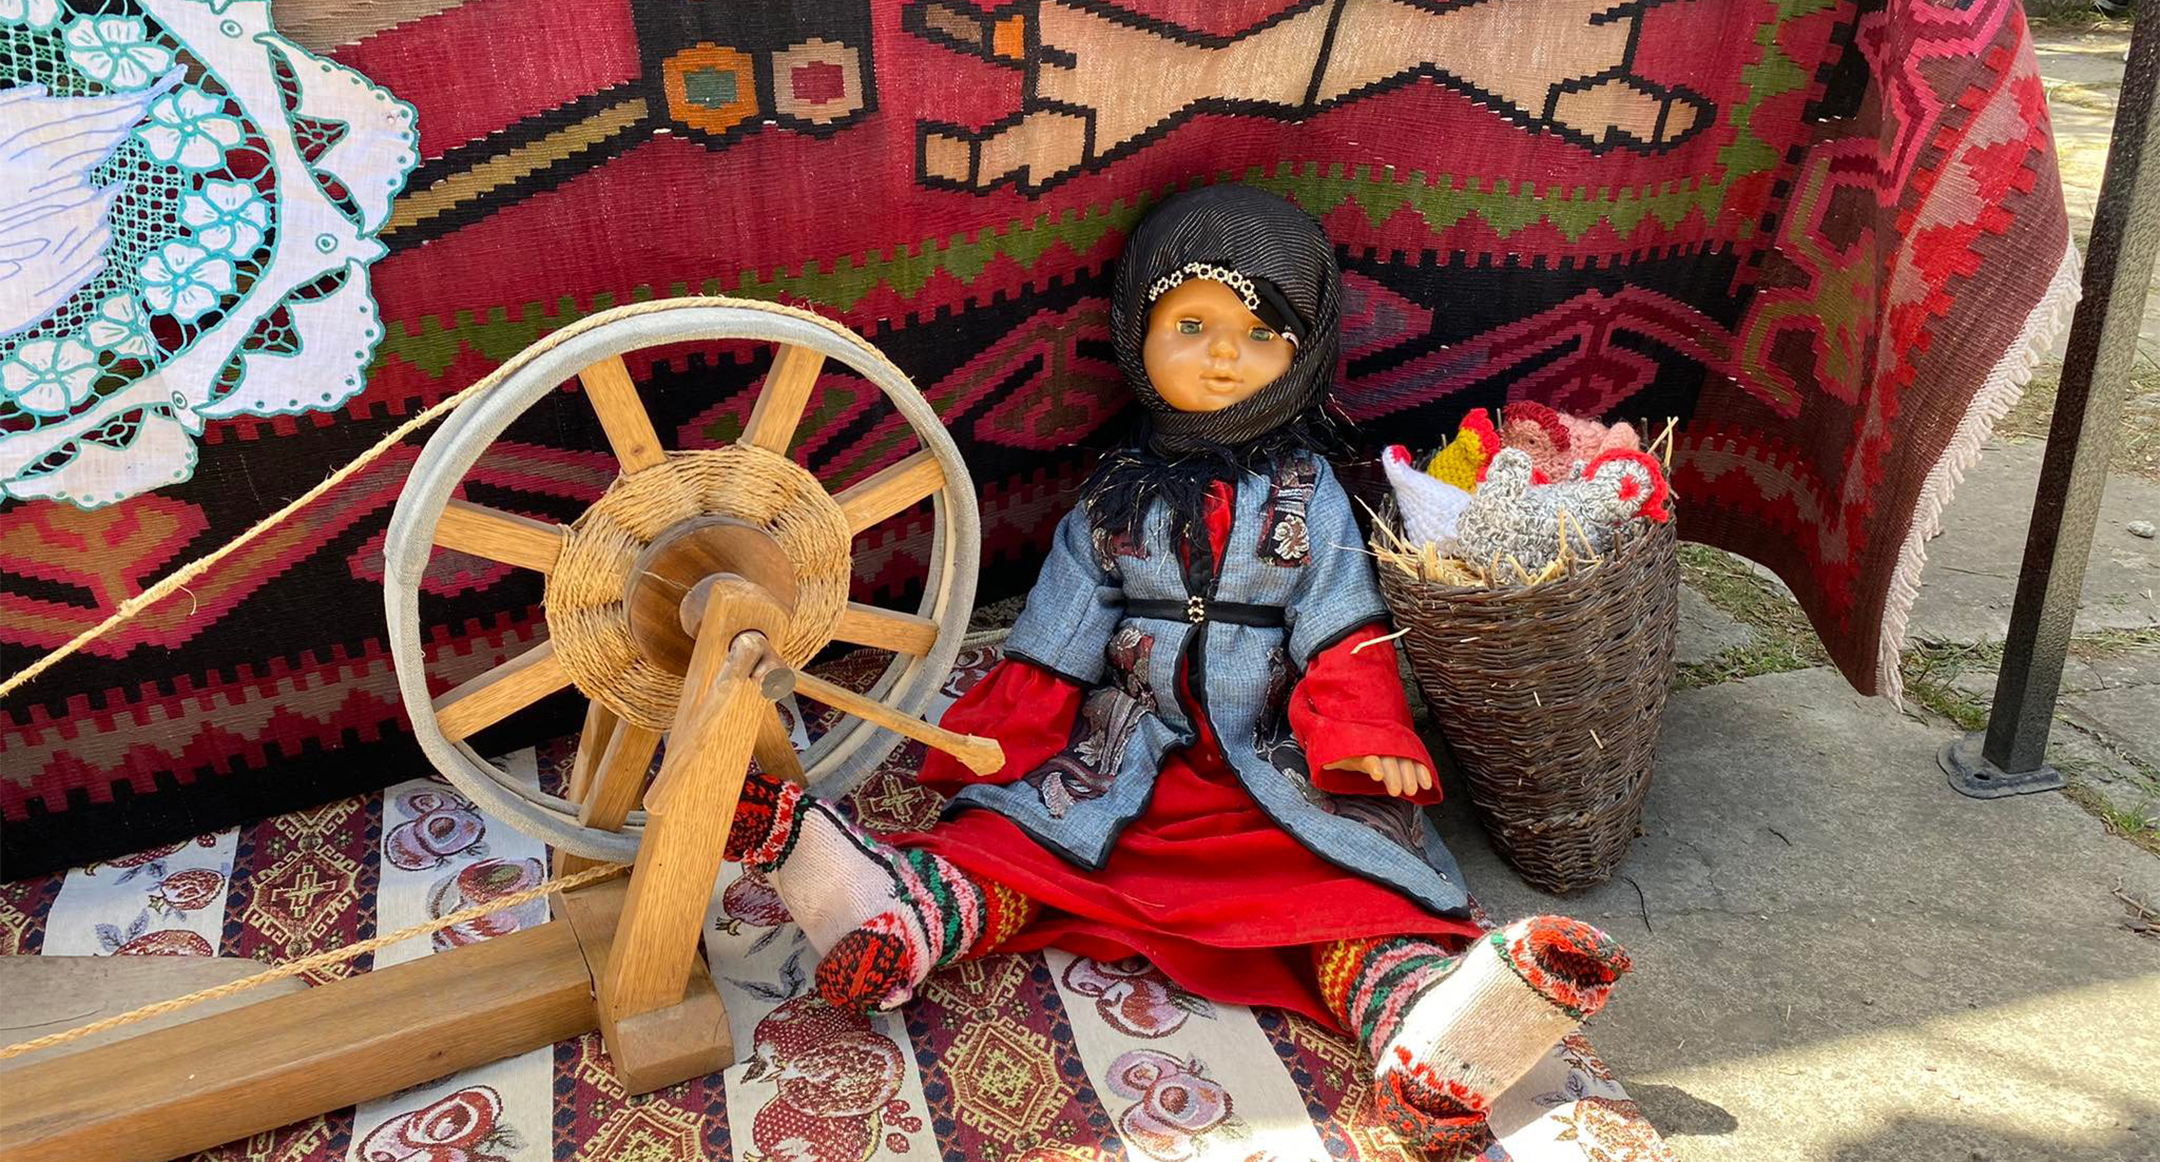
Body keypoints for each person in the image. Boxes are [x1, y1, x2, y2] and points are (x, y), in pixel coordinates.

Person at [722, 185, 1629, 1154]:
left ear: (1304, 353)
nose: (1223, 356)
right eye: (1191, 326)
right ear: (1136, 331)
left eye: (1260, 335)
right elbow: (1064, 622)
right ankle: (901, 914)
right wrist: (1008, 730)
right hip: (1125, 750)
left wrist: (1364, 730)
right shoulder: (1117, 493)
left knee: (1349, 888)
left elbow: (1339, 615)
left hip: (1273, 764)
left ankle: (1423, 1024)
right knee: (1024, 837)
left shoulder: (1307, 489)